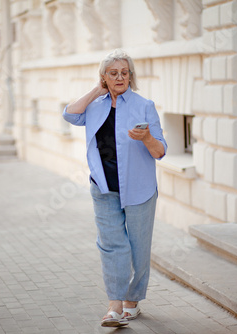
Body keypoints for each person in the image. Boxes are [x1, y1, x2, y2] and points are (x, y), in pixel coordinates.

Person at [62, 49, 167, 327]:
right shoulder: (94, 106)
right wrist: (97, 90)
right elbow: (69, 115)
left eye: (124, 72)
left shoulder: (145, 105)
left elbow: (160, 151)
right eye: (113, 73)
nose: (120, 77)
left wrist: (146, 138)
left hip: (139, 189)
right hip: (104, 187)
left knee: (138, 248)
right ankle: (115, 307)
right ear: (104, 78)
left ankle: (133, 300)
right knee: (111, 245)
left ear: (131, 76)